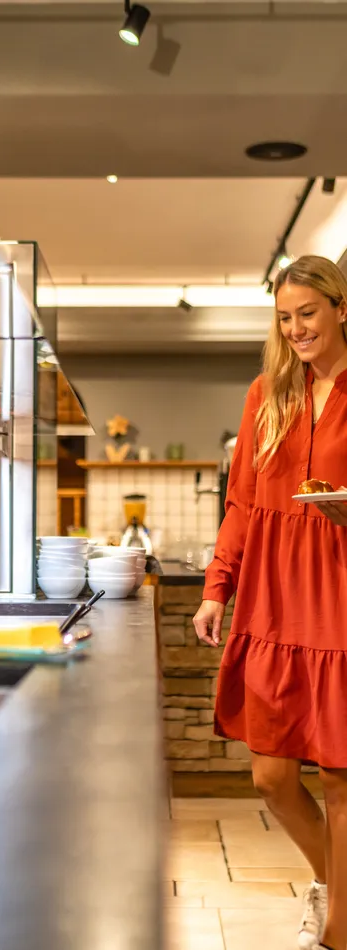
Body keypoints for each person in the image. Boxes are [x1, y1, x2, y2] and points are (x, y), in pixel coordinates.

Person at [193, 255, 347, 950]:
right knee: (271, 775)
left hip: (340, 591)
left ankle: (340, 929)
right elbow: (243, 504)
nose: (296, 330)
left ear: (340, 309)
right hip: (272, 595)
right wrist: (216, 587)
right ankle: (334, 885)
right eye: (285, 320)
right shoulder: (267, 394)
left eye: (307, 315)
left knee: (341, 776)